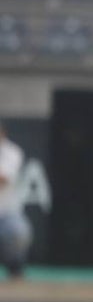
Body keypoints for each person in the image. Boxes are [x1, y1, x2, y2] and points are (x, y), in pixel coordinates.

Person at [0, 120, 31, 280]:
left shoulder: (12, 152)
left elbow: (3, 179)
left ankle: (15, 269)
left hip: (6, 214)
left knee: (18, 231)